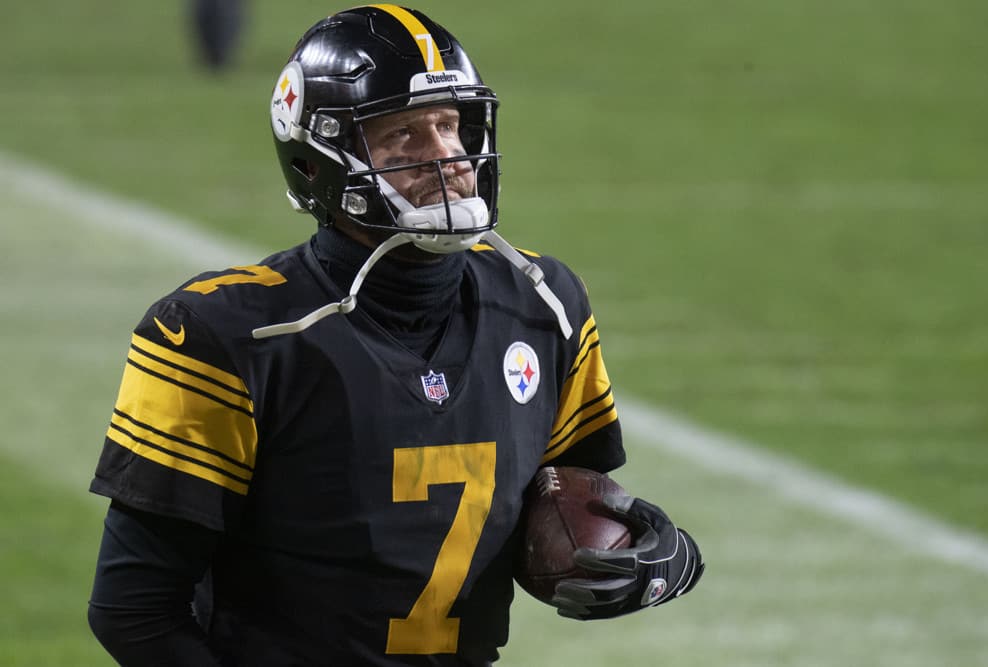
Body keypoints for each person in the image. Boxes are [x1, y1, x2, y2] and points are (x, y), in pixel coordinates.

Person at [87, 5, 705, 666]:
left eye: (449, 126)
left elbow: (557, 502)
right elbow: (135, 609)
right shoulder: (225, 333)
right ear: (318, 162)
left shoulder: (543, 300)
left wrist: (656, 554)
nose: (446, 157)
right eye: (403, 136)